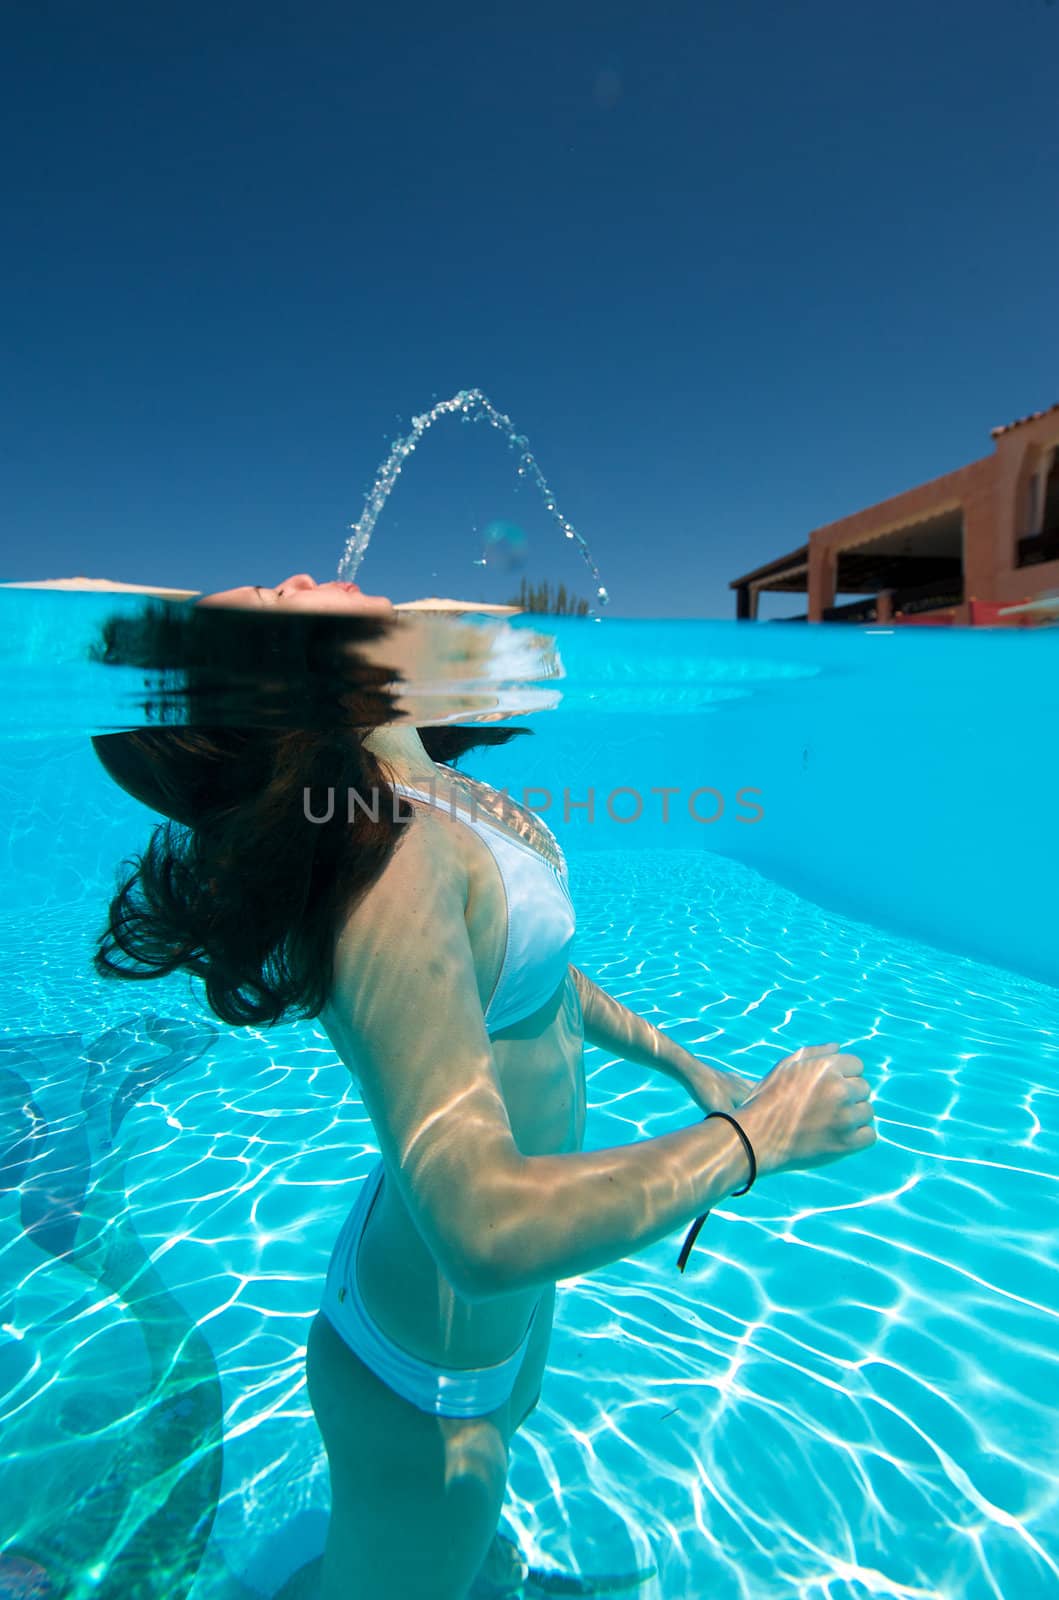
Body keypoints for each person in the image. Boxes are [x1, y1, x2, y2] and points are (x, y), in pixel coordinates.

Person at [91, 574, 876, 1600]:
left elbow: (533, 974)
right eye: (265, 605)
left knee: (437, 1552)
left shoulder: (435, 805)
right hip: (419, 1379)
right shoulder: (392, 863)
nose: (292, 576)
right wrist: (755, 1137)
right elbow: (482, 1226)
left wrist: (683, 1063)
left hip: (470, 1329)